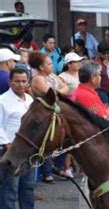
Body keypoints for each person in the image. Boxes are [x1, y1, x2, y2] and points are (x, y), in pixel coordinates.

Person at [0, 68, 46, 209]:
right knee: (10, 184)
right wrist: (6, 145)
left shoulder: (29, 99)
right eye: (17, 81)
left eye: (23, 81)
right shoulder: (3, 101)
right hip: (11, 148)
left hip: (29, 148)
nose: (20, 84)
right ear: (9, 82)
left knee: (28, 183)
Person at [70, 61, 108, 209]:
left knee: (90, 179)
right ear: (93, 78)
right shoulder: (85, 95)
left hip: (88, 142)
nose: (100, 78)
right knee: (89, 180)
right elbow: (100, 120)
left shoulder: (85, 92)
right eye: (99, 75)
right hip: (90, 143)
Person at [29, 51, 69, 183]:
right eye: (49, 63)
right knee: (46, 140)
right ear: (41, 67)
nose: (52, 65)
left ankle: (53, 168)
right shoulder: (38, 79)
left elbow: (66, 88)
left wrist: (59, 93)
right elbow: (52, 94)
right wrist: (59, 93)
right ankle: (47, 171)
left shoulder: (52, 76)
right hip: (45, 113)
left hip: (57, 110)